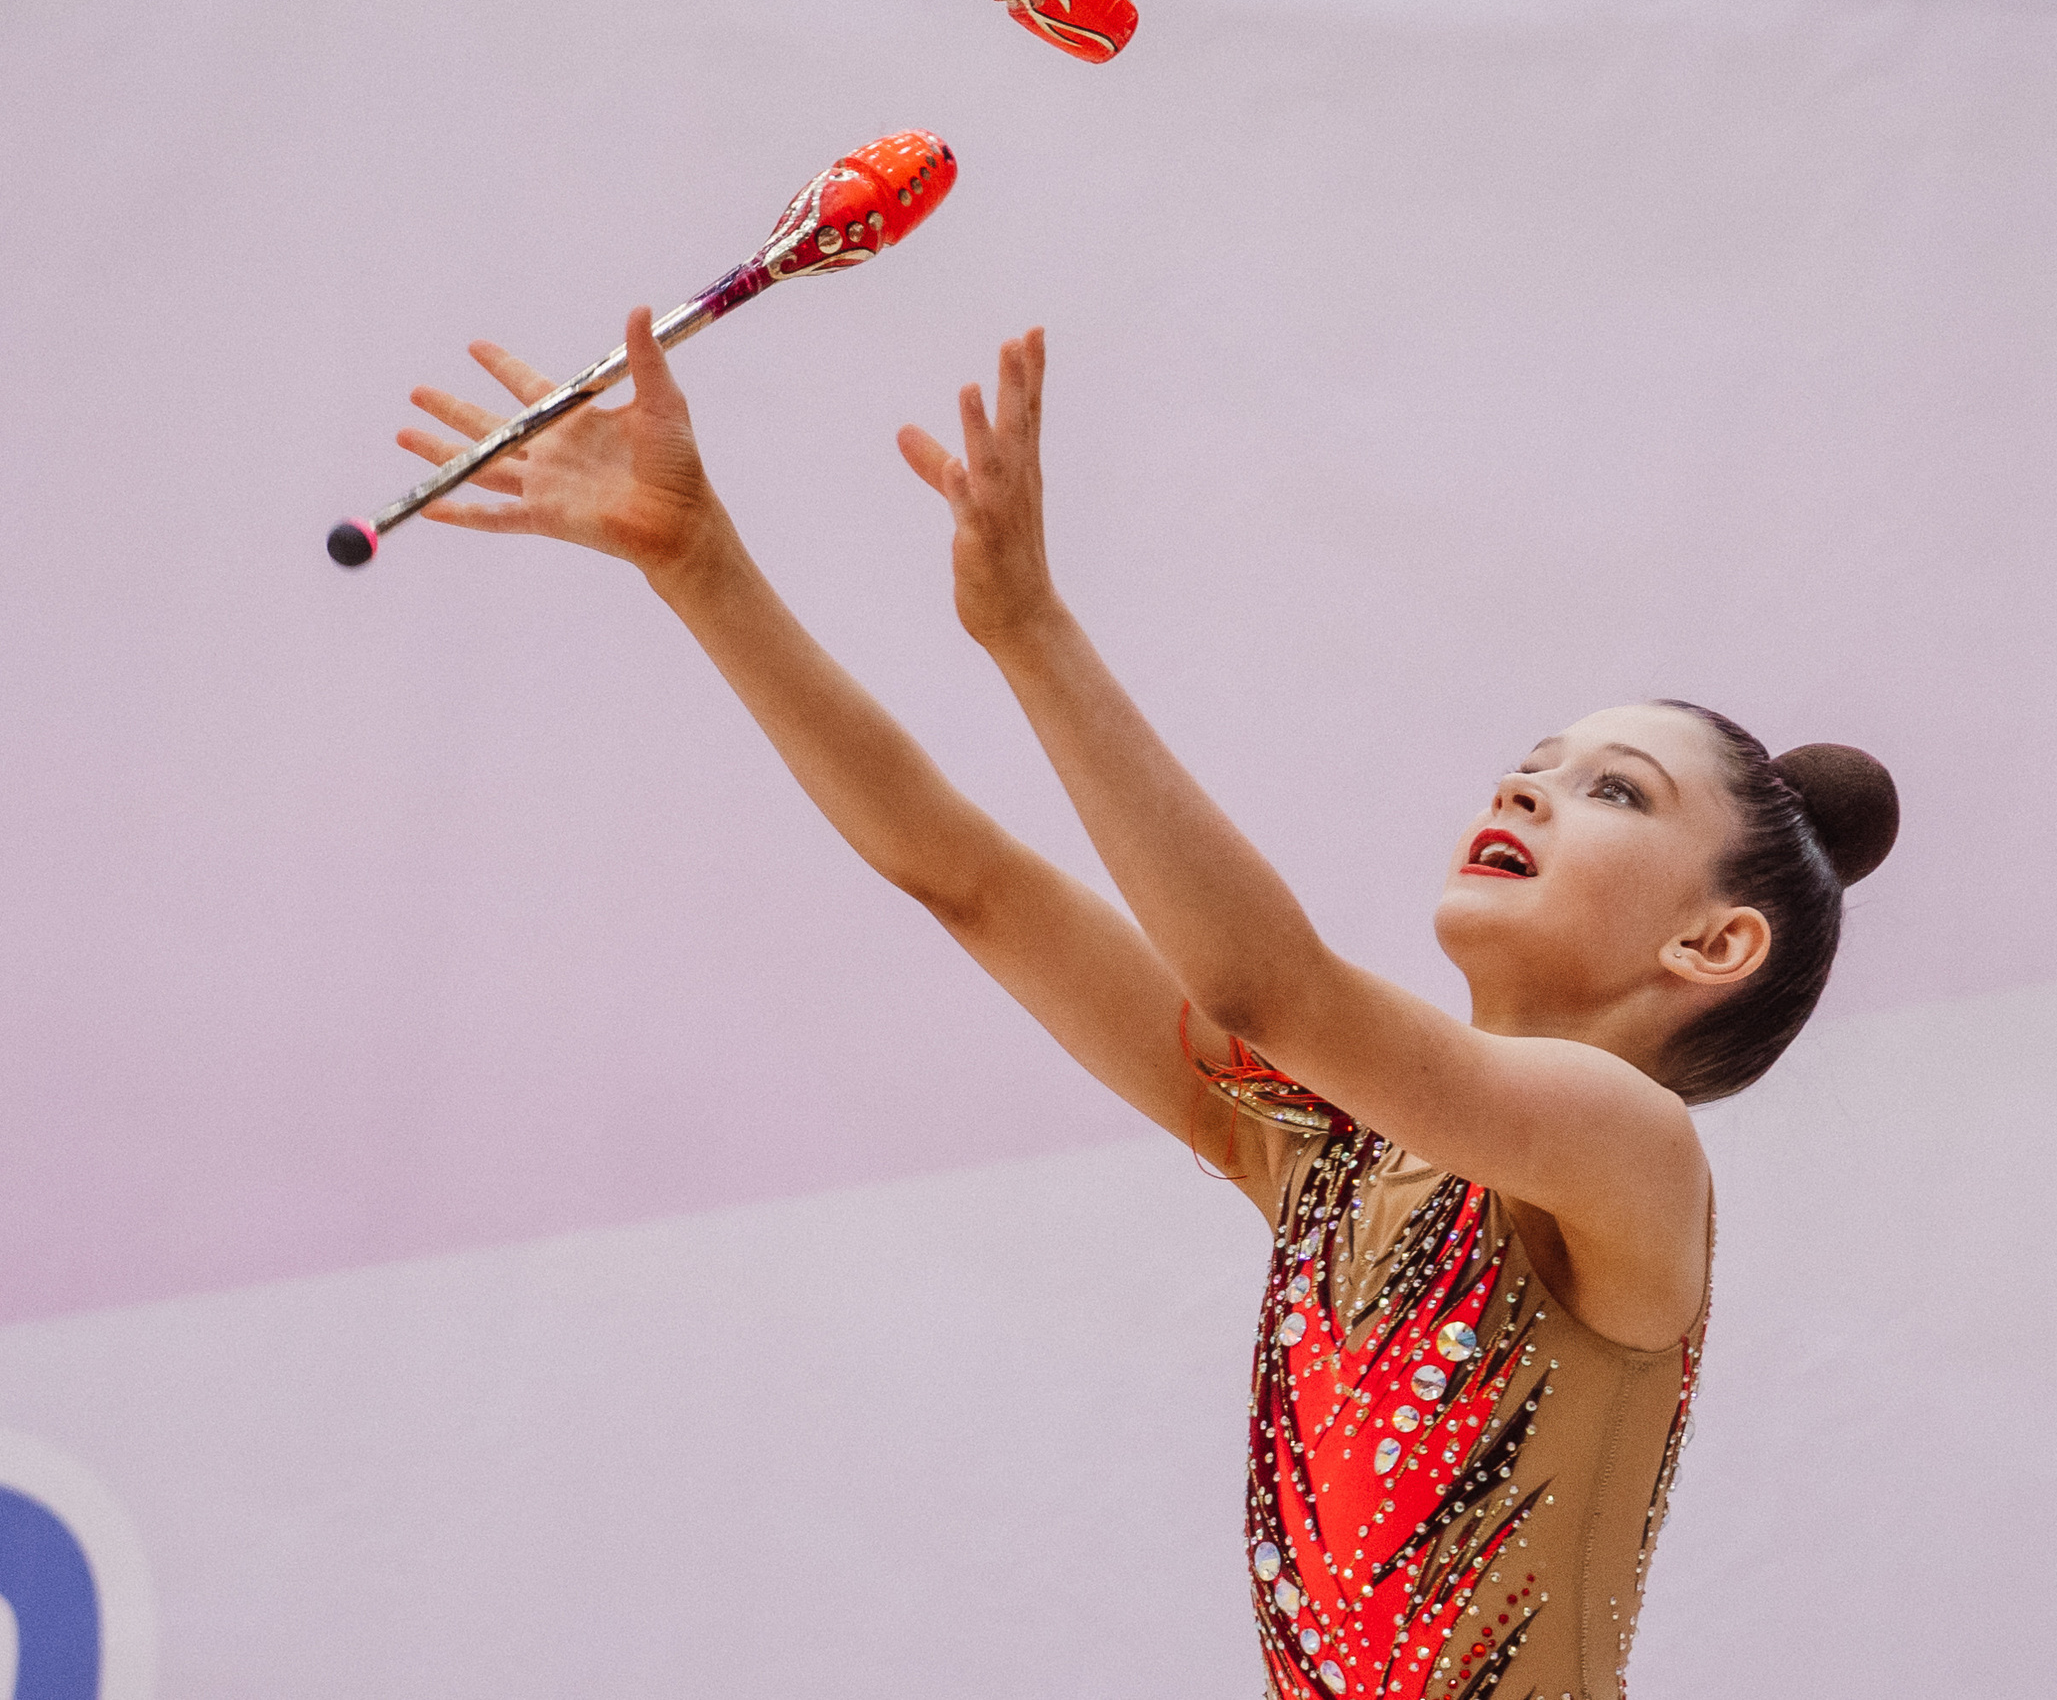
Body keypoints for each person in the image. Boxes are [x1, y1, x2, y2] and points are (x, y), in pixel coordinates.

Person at [394, 310, 1899, 1699]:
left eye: (1614, 792)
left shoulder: (1630, 1154)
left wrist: (1029, 630)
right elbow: (961, 876)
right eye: (1540, 759)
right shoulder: (1329, 1148)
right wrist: (699, 562)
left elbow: (1268, 985)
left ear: (1712, 947)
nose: (1529, 786)